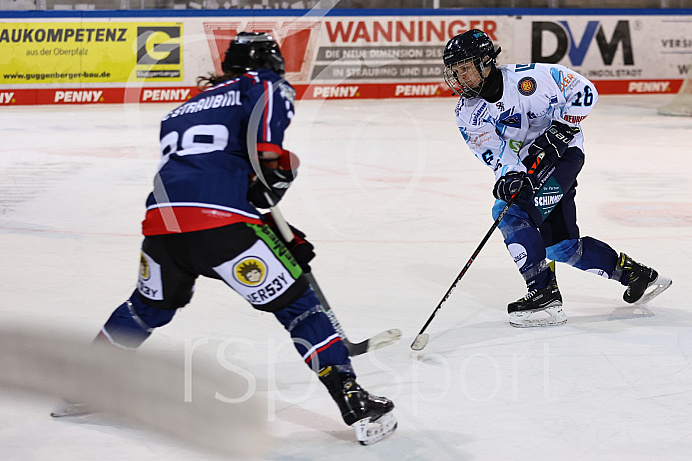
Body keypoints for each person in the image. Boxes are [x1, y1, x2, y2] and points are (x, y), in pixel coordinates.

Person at [51, 32, 396, 445]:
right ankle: (354, 402)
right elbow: (268, 163)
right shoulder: (263, 85)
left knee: (143, 308)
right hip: (222, 227)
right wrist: (272, 219)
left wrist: (268, 230)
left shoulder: (183, 107)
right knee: (300, 309)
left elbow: (208, 174)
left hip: (161, 228)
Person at [442, 29, 672, 327]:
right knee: (559, 246)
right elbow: (496, 154)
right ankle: (636, 274)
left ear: (486, 62)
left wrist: (564, 126)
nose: (460, 78)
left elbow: (586, 90)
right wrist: (510, 176)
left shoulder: (533, 78)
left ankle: (543, 293)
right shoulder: (466, 113)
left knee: (509, 213)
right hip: (531, 166)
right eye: (455, 71)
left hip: (564, 158)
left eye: (465, 69)